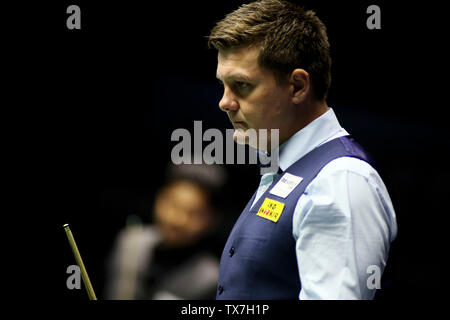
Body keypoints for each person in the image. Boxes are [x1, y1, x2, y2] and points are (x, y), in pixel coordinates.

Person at [208, 0, 397, 299]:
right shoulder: (283, 168)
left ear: (297, 87)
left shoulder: (340, 182)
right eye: (223, 85)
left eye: (241, 85)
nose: (225, 102)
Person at [104, 163, 226, 299]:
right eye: (173, 205)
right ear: (159, 198)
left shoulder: (211, 278)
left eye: (194, 213)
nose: (178, 220)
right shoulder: (130, 243)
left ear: (212, 219)